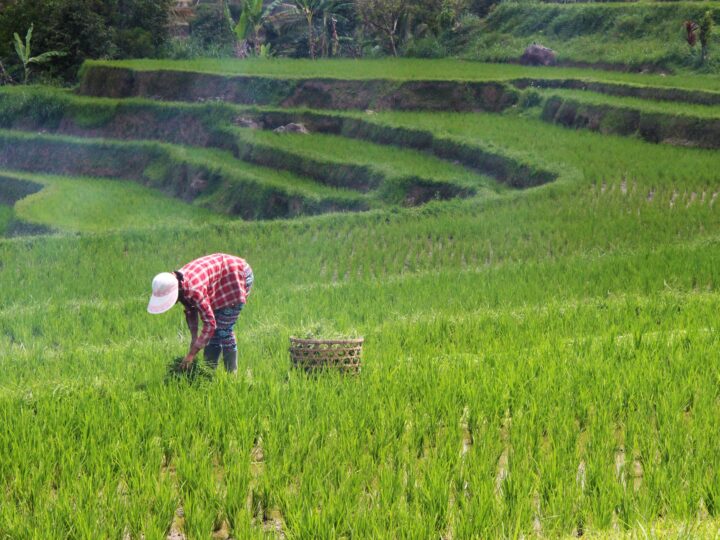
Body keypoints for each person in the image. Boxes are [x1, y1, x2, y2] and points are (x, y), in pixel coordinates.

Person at [147, 253, 254, 373]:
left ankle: (232, 375)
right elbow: (190, 309)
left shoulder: (193, 289)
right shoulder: (179, 284)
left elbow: (210, 324)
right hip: (220, 281)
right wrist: (194, 338)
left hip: (237, 276)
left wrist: (192, 354)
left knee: (223, 329)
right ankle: (208, 372)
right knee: (213, 333)